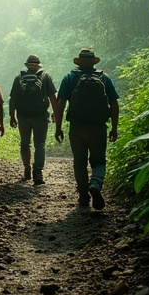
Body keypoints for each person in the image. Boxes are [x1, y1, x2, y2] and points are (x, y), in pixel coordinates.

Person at [55, 48, 119, 209]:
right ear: (93, 62)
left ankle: (83, 195)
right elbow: (114, 104)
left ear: (79, 62)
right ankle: (95, 185)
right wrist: (114, 127)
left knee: (79, 162)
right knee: (98, 162)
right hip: (98, 127)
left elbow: (60, 104)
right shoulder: (104, 78)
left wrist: (58, 127)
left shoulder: (69, 77)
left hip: (77, 127)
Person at [9, 54, 57, 185]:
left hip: (23, 116)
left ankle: (27, 168)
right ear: (38, 66)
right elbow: (53, 97)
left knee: (24, 143)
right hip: (40, 116)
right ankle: (38, 173)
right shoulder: (45, 77)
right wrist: (55, 114)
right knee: (39, 144)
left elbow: (12, 99)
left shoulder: (19, 78)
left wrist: (12, 116)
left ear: (27, 65)